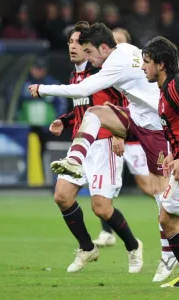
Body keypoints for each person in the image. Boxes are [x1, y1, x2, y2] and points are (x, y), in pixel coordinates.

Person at [28, 23, 176, 281]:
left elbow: (84, 90)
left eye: (89, 51)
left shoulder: (115, 65)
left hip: (156, 127)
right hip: (136, 119)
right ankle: (75, 159)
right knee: (96, 114)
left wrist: (43, 89)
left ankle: (168, 253)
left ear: (104, 48)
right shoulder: (127, 51)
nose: (88, 56)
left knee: (161, 200)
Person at [50, 21, 141, 274]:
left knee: (101, 208)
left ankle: (133, 247)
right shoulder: (75, 74)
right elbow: (82, 107)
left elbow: (123, 100)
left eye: (79, 43)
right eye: (70, 42)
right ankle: (87, 247)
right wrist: (65, 120)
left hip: (103, 144)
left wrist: (119, 133)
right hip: (80, 144)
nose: (73, 47)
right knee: (62, 196)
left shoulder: (102, 70)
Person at [94, 28, 151, 247]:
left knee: (149, 187)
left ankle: (170, 214)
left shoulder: (132, 72)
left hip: (135, 137)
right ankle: (106, 232)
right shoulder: (103, 71)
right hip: (113, 136)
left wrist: (120, 133)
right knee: (101, 183)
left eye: (119, 41)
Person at [142, 36, 179, 288]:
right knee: (166, 218)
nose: (143, 67)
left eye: (146, 62)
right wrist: (171, 154)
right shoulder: (164, 91)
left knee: (166, 218)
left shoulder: (175, 87)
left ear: (161, 64)